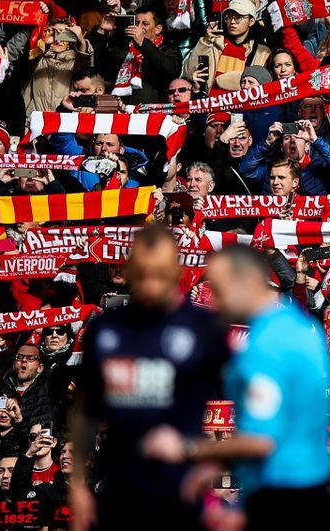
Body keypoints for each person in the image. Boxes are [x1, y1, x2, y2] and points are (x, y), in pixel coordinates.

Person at [142, 244, 330, 531]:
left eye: (220, 291)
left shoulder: (263, 347)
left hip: (281, 496)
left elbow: (262, 441)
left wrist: (187, 449)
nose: (216, 302)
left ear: (249, 282)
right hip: (312, 484)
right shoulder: (300, 327)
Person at [70, 225, 227, 531]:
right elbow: (86, 409)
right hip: (119, 489)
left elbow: (253, 406)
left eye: (158, 274)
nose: (150, 284)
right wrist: (78, 484)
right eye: (141, 274)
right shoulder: (105, 330)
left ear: (175, 271)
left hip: (181, 491)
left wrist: (209, 457)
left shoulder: (205, 329)